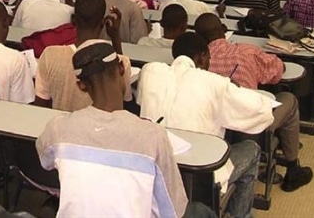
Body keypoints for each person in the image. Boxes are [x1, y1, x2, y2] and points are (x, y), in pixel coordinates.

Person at [36, 40, 195, 218]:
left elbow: (45, 161)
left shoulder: (58, 128)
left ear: (81, 85)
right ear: (121, 69)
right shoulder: (154, 136)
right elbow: (173, 211)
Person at [138, 32, 272, 218]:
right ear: (201, 56)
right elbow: (259, 112)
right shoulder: (214, 83)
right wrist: (233, 88)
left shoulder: (149, 71)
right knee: (252, 149)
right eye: (209, 57)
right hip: (201, 181)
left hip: (156, 174)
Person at [194, 13, 314, 192]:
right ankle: (293, 169)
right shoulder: (247, 51)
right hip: (250, 130)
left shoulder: (196, 61)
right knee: (289, 100)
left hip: (211, 127)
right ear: (223, 30)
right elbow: (279, 71)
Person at [35, 0, 133, 112]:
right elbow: (123, 104)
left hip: (62, 128)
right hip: (102, 129)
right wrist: (115, 37)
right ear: (103, 24)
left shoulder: (50, 55)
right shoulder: (122, 63)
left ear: (73, 20)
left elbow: (40, 105)